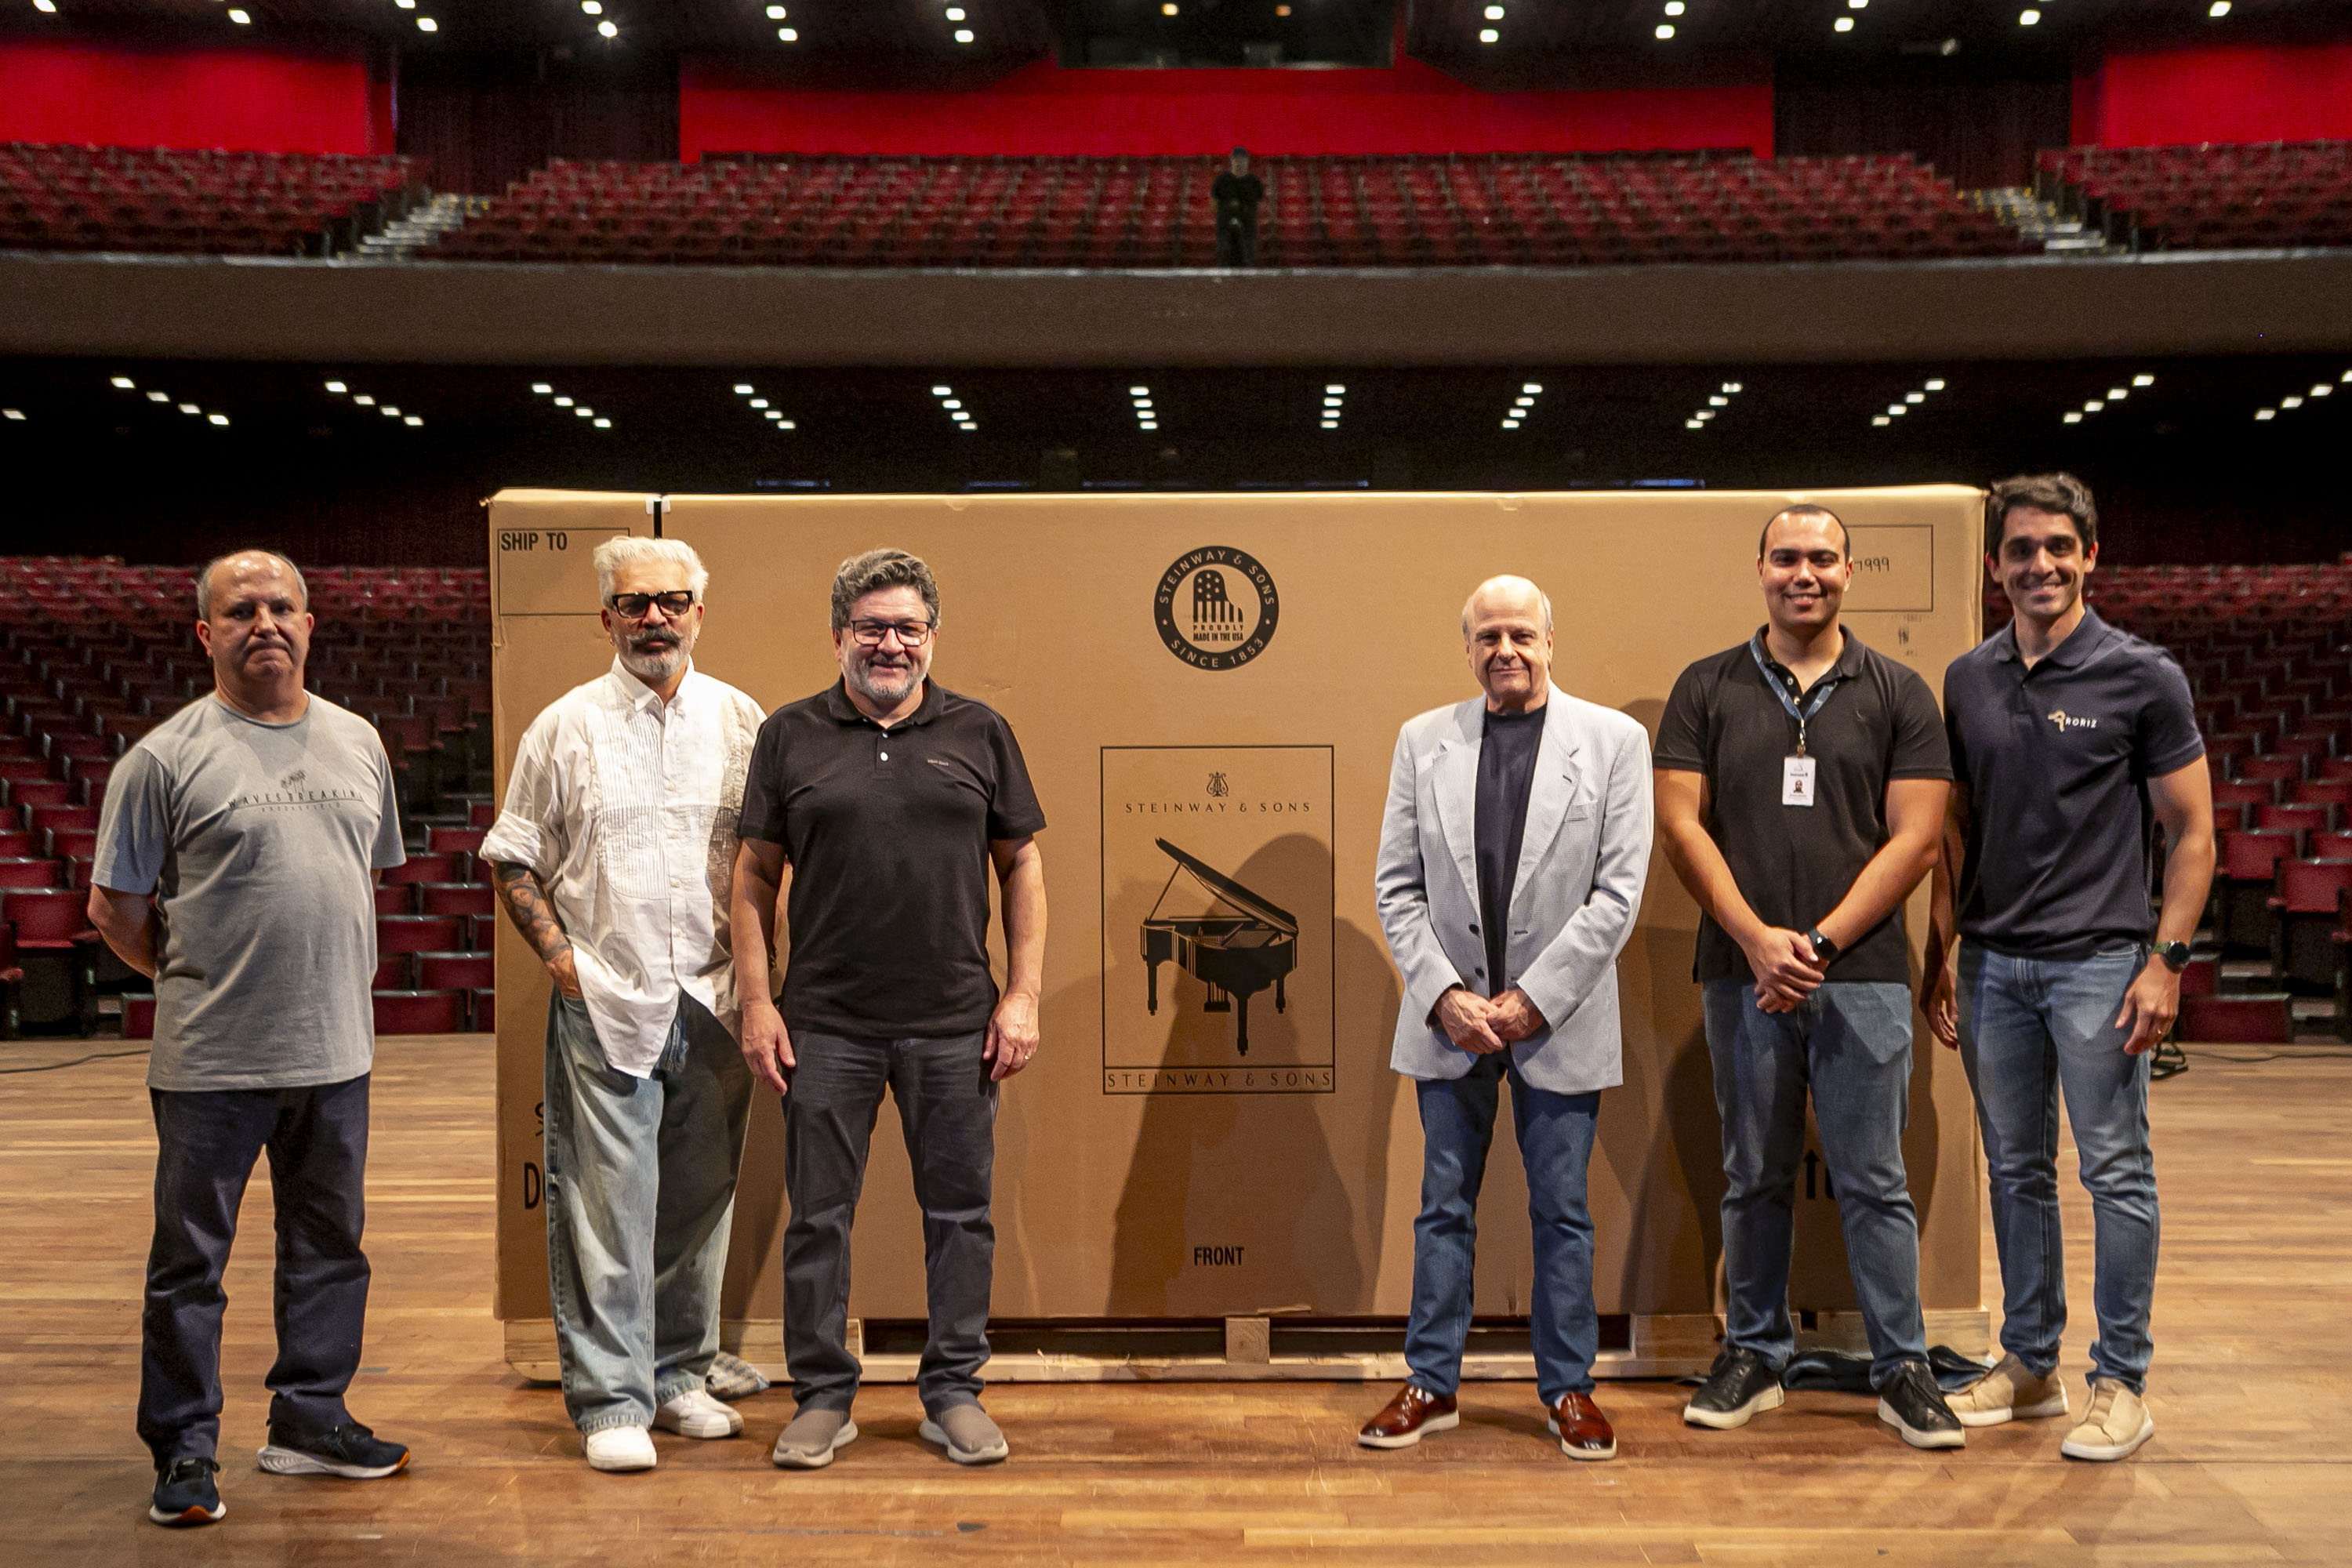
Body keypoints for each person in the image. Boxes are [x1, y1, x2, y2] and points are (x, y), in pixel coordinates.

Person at [90, 550, 412, 1528]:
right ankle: (185, 1446)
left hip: (337, 1053)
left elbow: (365, 876)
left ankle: (310, 1418)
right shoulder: (163, 758)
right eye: (240, 610)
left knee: (330, 1248)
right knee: (190, 1265)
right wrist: (199, 981)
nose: (264, 622)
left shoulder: (358, 740)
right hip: (211, 1061)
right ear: (206, 633)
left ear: (310, 624)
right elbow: (115, 908)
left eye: (281, 606)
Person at [1653, 505, 1964, 1450]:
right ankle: (1754, 1350)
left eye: (1823, 558)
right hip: (1739, 973)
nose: (1805, 573)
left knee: (1874, 1176)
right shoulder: (1704, 687)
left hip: (1863, 975)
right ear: (1759, 567)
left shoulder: (1900, 691)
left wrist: (1817, 945)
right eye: (1786, 556)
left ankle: (1902, 1364)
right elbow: (1679, 825)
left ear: (1849, 571)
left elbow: (1918, 839)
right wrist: (1757, 940)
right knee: (1753, 1173)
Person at [731, 547, 1047, 1471]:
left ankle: (953, 1392)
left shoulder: (981, 731)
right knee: (818, 1218)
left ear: (932, 635)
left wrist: (1022, 994)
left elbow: (1022, 863)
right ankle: (823, 1396)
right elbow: (753, 875)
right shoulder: (790, 734)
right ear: (839, 635)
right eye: (871, 626)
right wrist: (758, 1001)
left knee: (960, 1216)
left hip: (955, 1023)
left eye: (908, 626)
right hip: (825, 1023)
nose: (890, 643)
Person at [1925, 474, 2213, 1462]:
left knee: (2115, 1170)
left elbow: (2193, 832)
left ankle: (2121, 1382)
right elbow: (1956, 828)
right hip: (1995, 963)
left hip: (2101, 964)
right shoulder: (1967, 677)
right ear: (1994, 563)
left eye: (2058, 546)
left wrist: (2166, 962)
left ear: (2091, 554)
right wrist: (1943, 947)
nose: (2039, 564)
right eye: (2020, 549)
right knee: (2015, 1170)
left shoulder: (2143, 675)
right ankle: (2031, 1362)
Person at [481, 537, 766, 1474]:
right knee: (605, 1210)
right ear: (606, 616)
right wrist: (563, 962)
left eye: (672, 601)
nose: (655, 618)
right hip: (607, 997)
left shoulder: (742, 721)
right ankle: (611, 1399)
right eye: (636, 603)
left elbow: (770, 856)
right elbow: (513, 855)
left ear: (698, 611)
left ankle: (679, 1373)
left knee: (698, 1203)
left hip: (717, 997)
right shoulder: (564, 726)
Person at [1358, 575, 1653, 1461]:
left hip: (1558, 1020)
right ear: (1468, 648)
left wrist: (1534, 999)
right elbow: (1396, 887)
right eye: (1488, 636)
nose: (1505, 650)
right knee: (1441, 1208)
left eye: (1521, 634)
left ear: (1550, 641)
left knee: (1562, 1212)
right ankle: (1430, 1383)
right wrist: (1446, 995)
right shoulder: (1423, 740)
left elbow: (1618, 893)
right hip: (1449, 1023)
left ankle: (1569, 1389)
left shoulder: (1615, 741)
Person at [1212, 146, 1265, 267]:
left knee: (1247, 257)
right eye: (1236, 159)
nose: (1239, 162)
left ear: (1247, 161)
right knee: (1225, 256)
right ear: (1231, 160)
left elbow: (1261, 204)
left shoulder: (1254, 182)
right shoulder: (1222, 181)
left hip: (1247, 227)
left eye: (1242, 159)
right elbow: (1214, 202)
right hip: (1225, 226)